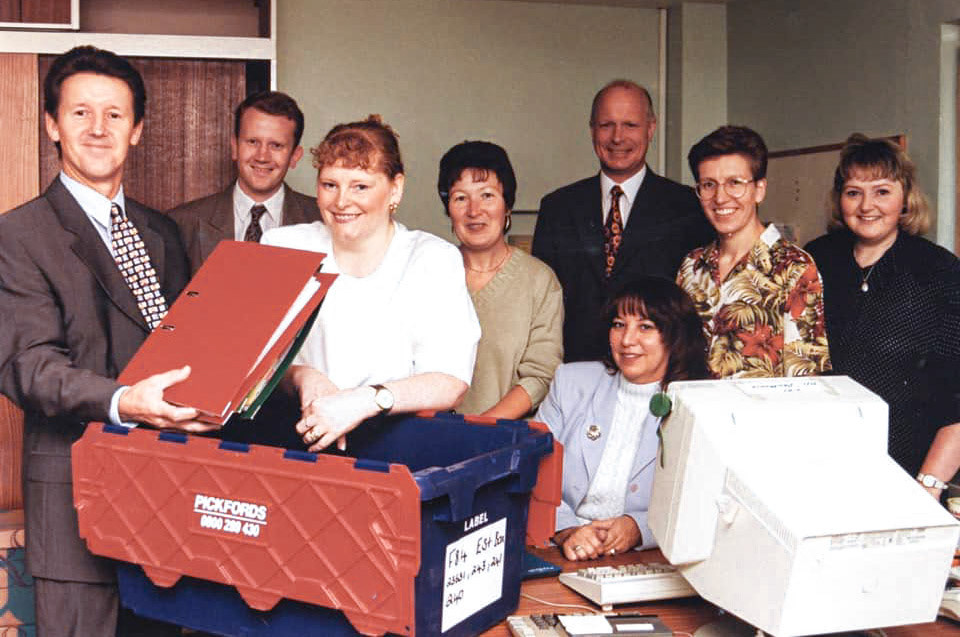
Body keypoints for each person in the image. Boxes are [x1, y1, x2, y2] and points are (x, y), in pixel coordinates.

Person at [0, 45, 215, 636]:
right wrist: (126, 401)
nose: (99, 129)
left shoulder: (162, 231)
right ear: (51, 124)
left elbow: (184, 347)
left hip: (169, 498)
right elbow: (29, 367)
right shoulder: (18, 235)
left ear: (138, 130)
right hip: (77, 502)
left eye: (115, 115)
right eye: (80, 113)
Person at [262, 115, 480, 451]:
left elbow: (450, 381)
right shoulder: (283, 247)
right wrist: (301, 377)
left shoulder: (433, 258)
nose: (341, 201)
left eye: (360, 186)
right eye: (329, 184)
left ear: (395, 188)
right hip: (294, 439)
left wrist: (363, 402)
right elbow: (254, 362)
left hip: (399, 446)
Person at [805, 134, 960, 486]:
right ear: (839, 199)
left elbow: (958, 396)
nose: (866, 206)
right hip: (822, 463)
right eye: (854, 192)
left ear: (905, 198)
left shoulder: (938, 271)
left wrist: (929, 485)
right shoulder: (816, 259)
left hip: (912, 471)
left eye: (882, 191)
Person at [532, 79, 714, 363]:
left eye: (630, 125)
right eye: (606, 125)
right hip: (575, 375)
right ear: (592, 129)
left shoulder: (688, 207)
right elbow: (542, 307)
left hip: (657, 374)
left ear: (651, 128)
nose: (617, 138)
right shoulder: (557, 207)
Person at [536, 277, 709, 560]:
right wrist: (566, 529)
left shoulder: (699, 405)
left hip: (650, 557)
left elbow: (702, 502)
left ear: (675, 336)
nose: (627, 340)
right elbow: (531, 470)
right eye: (619, 325)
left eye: (646, 327)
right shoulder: (571, 382)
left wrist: (640, 528)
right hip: (560, 548)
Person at [677, 125, 831, 378]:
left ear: (759, 190)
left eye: (734, 183)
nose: (720, 197)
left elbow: (805, 380)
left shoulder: (795, 268)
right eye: (708, 185)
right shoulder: (691, 266)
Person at [437, 140, 563, 418]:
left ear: (507, 204)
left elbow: (540, 376)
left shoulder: (539, 280)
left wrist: (480, 431)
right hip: (429, 437)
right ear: (448, 209)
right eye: (460, 198)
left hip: (504, 442)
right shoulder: (430, 272)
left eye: (487, 195)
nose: (474, 210)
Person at [169, 90, 321, 274]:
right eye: (252, 142)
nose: (262, 156)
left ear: (295, 156)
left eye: (276, 145)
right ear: (235, 147)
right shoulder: (182, 224)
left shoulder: (322, 221)